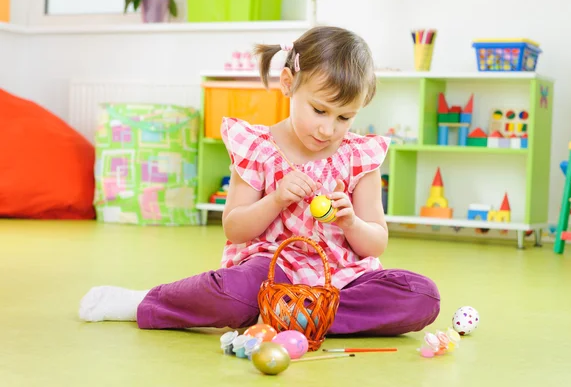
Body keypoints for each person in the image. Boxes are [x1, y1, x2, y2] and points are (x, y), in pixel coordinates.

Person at [79, 26, 440, 336]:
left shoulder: (359, 157)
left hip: (341, 281)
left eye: (344, 117)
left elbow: (375, 244)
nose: (328, 129)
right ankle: (147, 301)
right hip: (270, 274)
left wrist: (351, 222)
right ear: (288, 84)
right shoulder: (257, 148)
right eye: (319, 110)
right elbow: (235, 229)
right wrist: (276, 199)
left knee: (421, 296)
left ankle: (291, 316)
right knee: (236, 291)